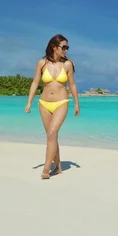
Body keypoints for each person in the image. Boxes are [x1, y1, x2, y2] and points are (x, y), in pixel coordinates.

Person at [25, 34, 80, 179]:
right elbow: (35, 82)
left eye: (67, 47)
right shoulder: (41, 63)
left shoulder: (67, 64)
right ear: (54, 47)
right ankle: (58, 168)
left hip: (61, 103)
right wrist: (29, 102)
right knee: (52, 136)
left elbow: (72, 85)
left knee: (51, 134)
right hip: (44, 104)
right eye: (64, 47)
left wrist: (76, 104)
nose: (66, 50)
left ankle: (46, 169)